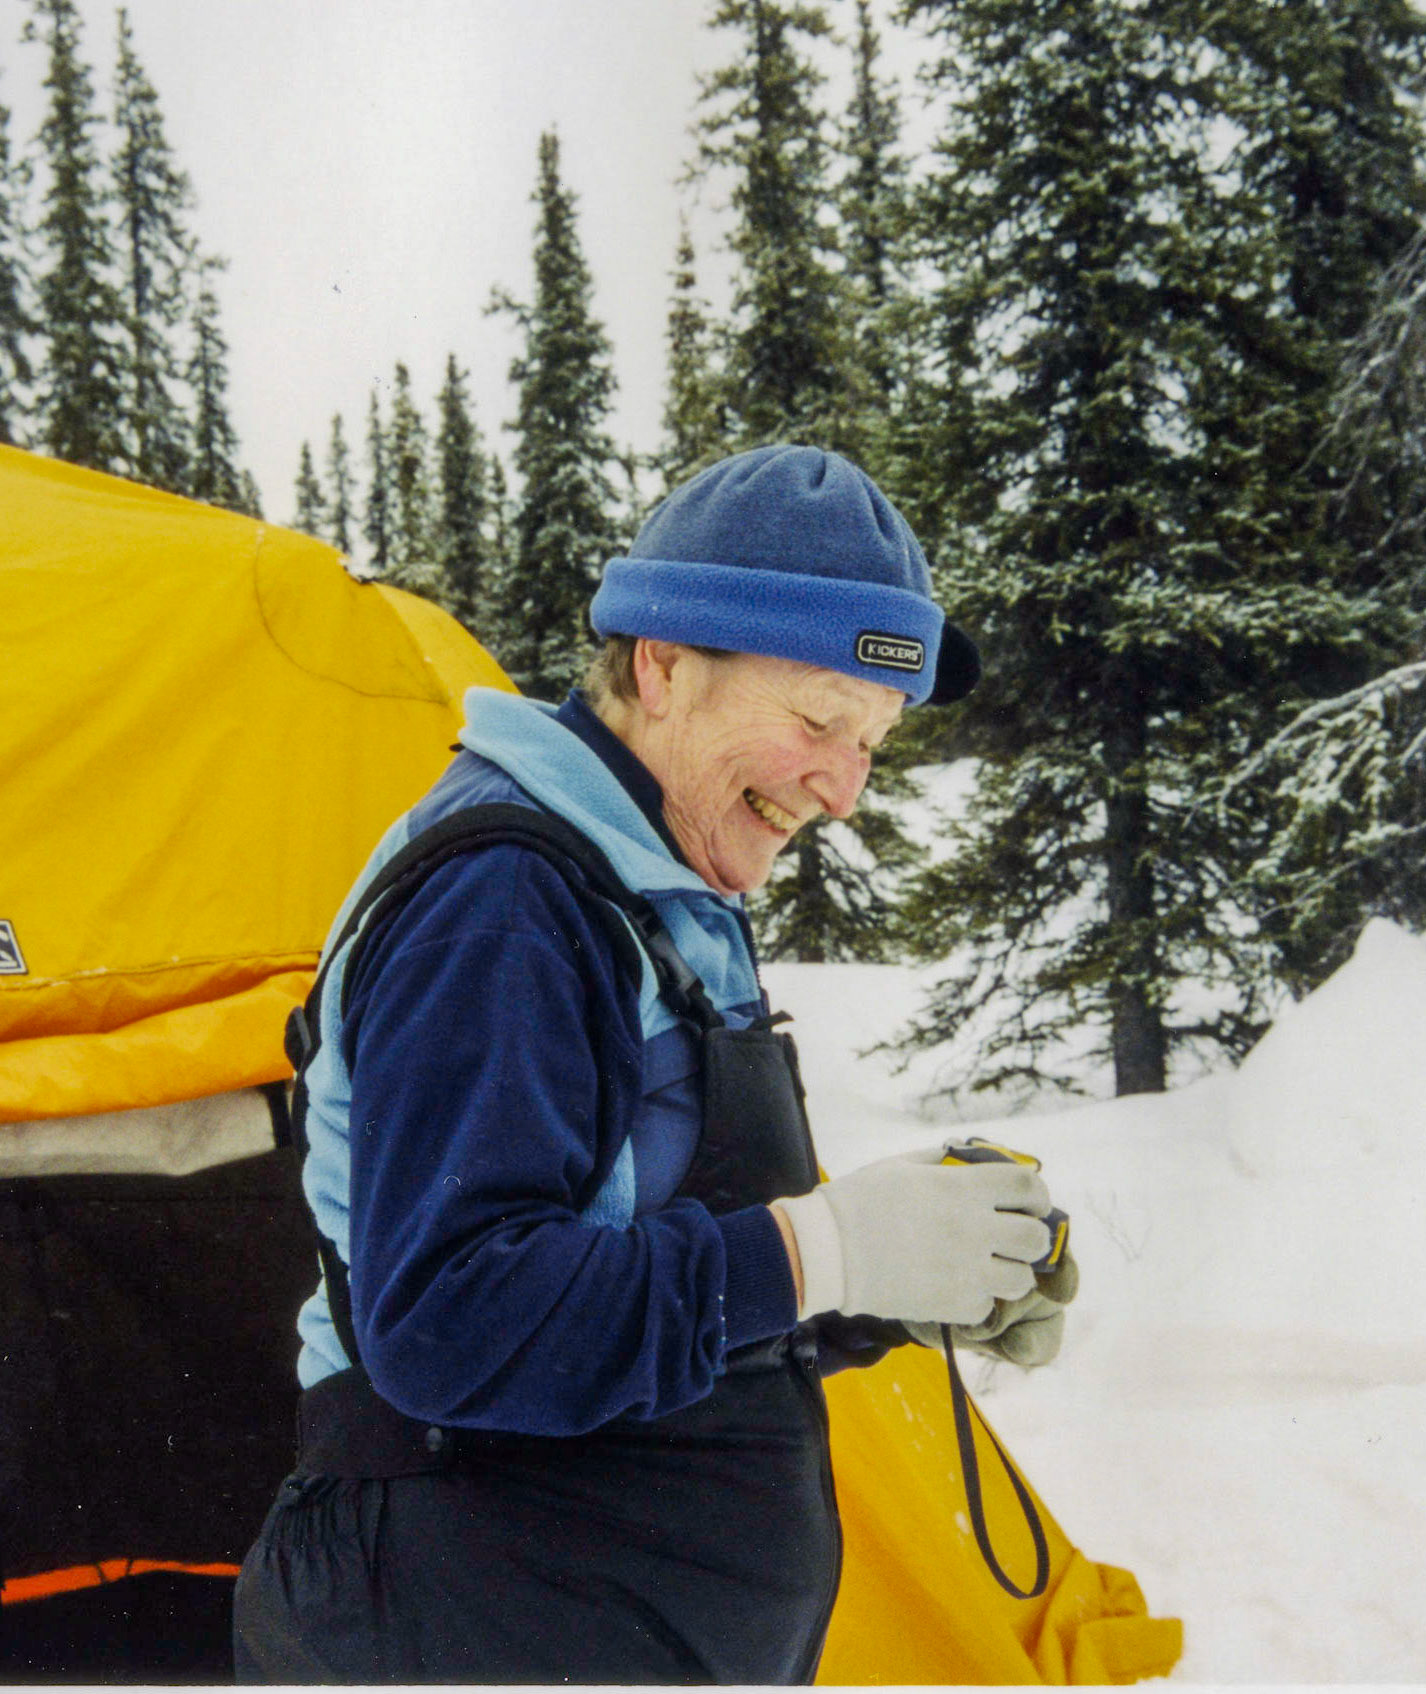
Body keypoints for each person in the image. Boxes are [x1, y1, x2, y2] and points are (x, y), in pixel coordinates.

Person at [232, 444, 1076, 1685]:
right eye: (817, 722)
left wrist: (894, 1275)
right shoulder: (507, 901)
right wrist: (822, 1248)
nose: (842, 790)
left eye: (873, 743)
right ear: (662, 665)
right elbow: (449, 1321)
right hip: (461, 1615)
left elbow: (651, 1274)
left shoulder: (650, 889)